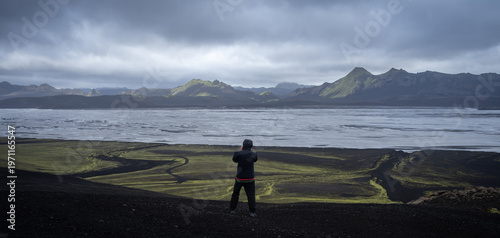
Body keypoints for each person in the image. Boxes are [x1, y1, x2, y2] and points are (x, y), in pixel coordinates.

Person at [229, 139, 258, 217]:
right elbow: (255, 160)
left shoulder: (237, 153)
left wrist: (241, 150)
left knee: (235, 194)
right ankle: (252, 212)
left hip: (239, 178)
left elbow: (234, 160)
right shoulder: (254, 154)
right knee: (251, 195)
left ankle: (232, 210)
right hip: (250, 178)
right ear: (251, 146)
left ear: (243, 145)